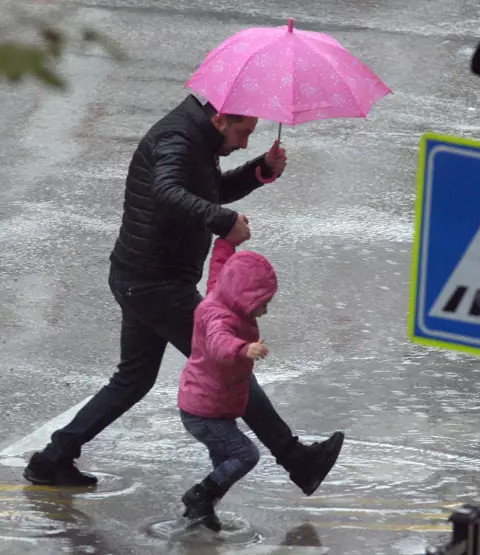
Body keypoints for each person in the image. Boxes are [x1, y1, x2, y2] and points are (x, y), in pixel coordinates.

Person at [23, 94, 345, 495]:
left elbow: (208, 190)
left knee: (132, 380)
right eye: (244, 132)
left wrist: (259, 171)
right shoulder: (178, 139)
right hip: (156, 283)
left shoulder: (197, 135)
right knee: (230, 362)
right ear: (221, 119)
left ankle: (51, 459)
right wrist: (222, 221)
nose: (245, 142)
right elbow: (167, 191)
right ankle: (297, 460)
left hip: (139, 277)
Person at [179, 236, 276, 531]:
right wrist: (244, 349)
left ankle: (202, 511)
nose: (265, 311)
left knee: (223, 463)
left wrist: (226, 241)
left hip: (214, 407)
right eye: (262, 304)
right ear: (245, 297)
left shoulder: (221, 292)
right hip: (204, 412)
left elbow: (219, 268)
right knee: (246, 455)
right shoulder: (219, 316)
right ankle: (199, 496)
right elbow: (218, 344)